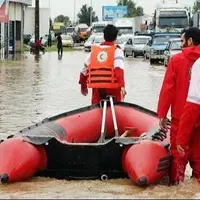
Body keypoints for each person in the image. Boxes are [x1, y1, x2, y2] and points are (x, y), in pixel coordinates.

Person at [157, 27, 200, 185]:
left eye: (182, 41)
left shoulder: (176, 60)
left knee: (177, 162)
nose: (181, 45)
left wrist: (161, 114)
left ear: (190, 41)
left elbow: (168, 89)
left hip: (180, 120)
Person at [79, 24, 127, 105]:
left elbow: (84, 70)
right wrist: (122, 86)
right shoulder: (118, 51)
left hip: (97, 90)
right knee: (116, 110)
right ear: (116, 37)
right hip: (113, 90)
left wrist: (83, 86)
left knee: (95, 110)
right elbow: (118, 69)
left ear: (104, 36)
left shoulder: (93, 52)